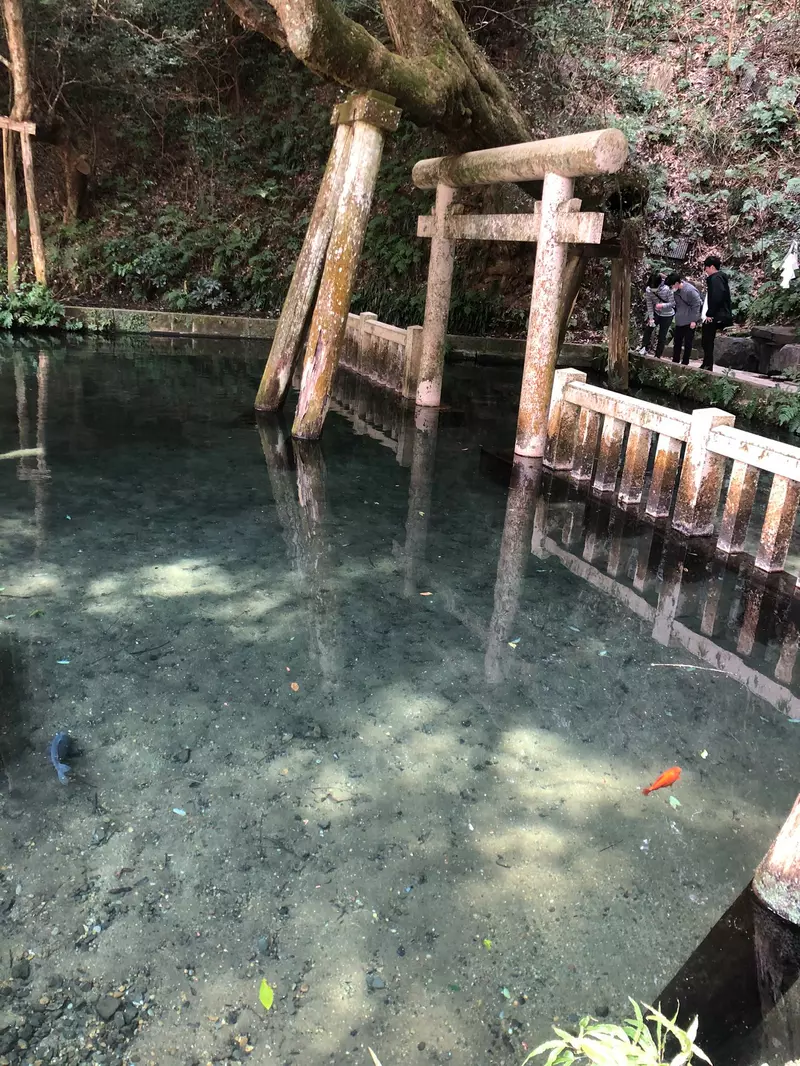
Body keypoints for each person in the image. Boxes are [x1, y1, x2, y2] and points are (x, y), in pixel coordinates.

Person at [701, 255, 733, 371]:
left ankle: (708, 365)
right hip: (719, 313)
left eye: (706, 267)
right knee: (707, 339)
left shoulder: (716, 278)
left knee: (707, 339)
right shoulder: (719, 278)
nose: (705, 270)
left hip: (717, 314)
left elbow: (717, 296)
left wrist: (710, 314)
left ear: (712, 267)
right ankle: (706, 363)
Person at [663, 272, 703, 366]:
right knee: (677, 342)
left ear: (677, 283)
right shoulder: (676, 292)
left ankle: (685, 362)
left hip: (690, 321)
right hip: (680, 320)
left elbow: (696, 305)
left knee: (688, 342)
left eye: (672, 285)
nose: (671, 287)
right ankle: (675, 361)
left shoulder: (690, 290)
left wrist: (694, 320)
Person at [638, 272, 674, 357]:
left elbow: (672, 303)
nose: (652, 288)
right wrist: (651, 317)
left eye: (654, 287)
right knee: (648, 329)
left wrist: (662, 305)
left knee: (662, 335)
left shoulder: (667, 289)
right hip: (656, 313)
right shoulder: (648, 290)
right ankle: (643, 348)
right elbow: (649, 304)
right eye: (651, 287)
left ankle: (658, 355)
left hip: (667, 315)